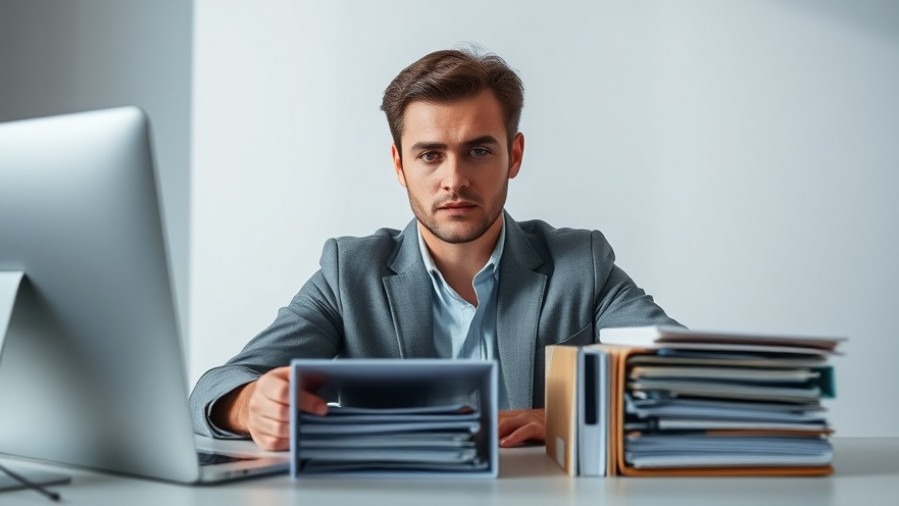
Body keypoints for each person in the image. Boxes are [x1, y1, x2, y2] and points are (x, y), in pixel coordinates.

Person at [189, 48, 680, 451]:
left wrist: (566, 412)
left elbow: (685, 375)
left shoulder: (581, 264)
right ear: (400, 166)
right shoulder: (350, 273)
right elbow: (215, 387)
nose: (455, 180)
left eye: (479, 151)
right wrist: (249, 403)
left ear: (514, 156)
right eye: (430, 155)